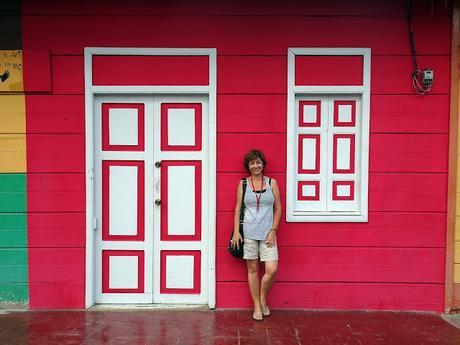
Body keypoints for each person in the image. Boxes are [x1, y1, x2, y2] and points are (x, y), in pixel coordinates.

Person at [231, 149, 282, 321]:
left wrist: (273, 230)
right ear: (248, 166)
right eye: (252, 163)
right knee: (252, 270)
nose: (255, 166)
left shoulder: (271, 183)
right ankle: (257, 306)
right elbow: (238, 208)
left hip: (268, 234)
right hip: (249, 233)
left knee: (271, 269)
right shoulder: (243, 184)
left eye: (258, 162)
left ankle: (262, 298)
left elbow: (278, 208)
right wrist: (237, 232)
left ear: (263, 164)